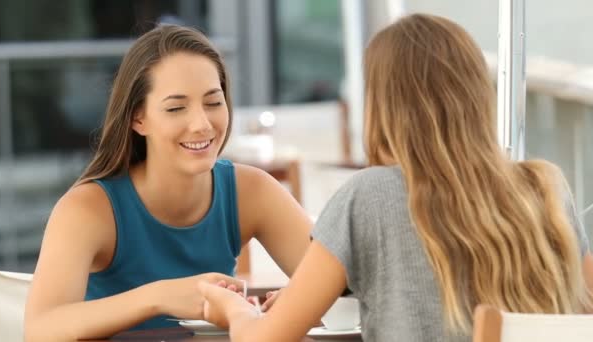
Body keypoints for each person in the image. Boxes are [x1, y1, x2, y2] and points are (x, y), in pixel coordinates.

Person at [198, 14, 593, 342]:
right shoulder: (545, 188)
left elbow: (267, 339)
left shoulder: (369, 197)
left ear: (383, 106)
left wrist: (232, 308)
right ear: (476, 94)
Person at [24, 25, 312, 341]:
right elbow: (40, 329)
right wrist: (158, 297)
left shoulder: (252, 190)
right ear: (138, 118)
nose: (202, 124)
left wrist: (306, 298)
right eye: (176, 108)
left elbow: (345, 280)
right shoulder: (87, 209)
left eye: (214, 102)